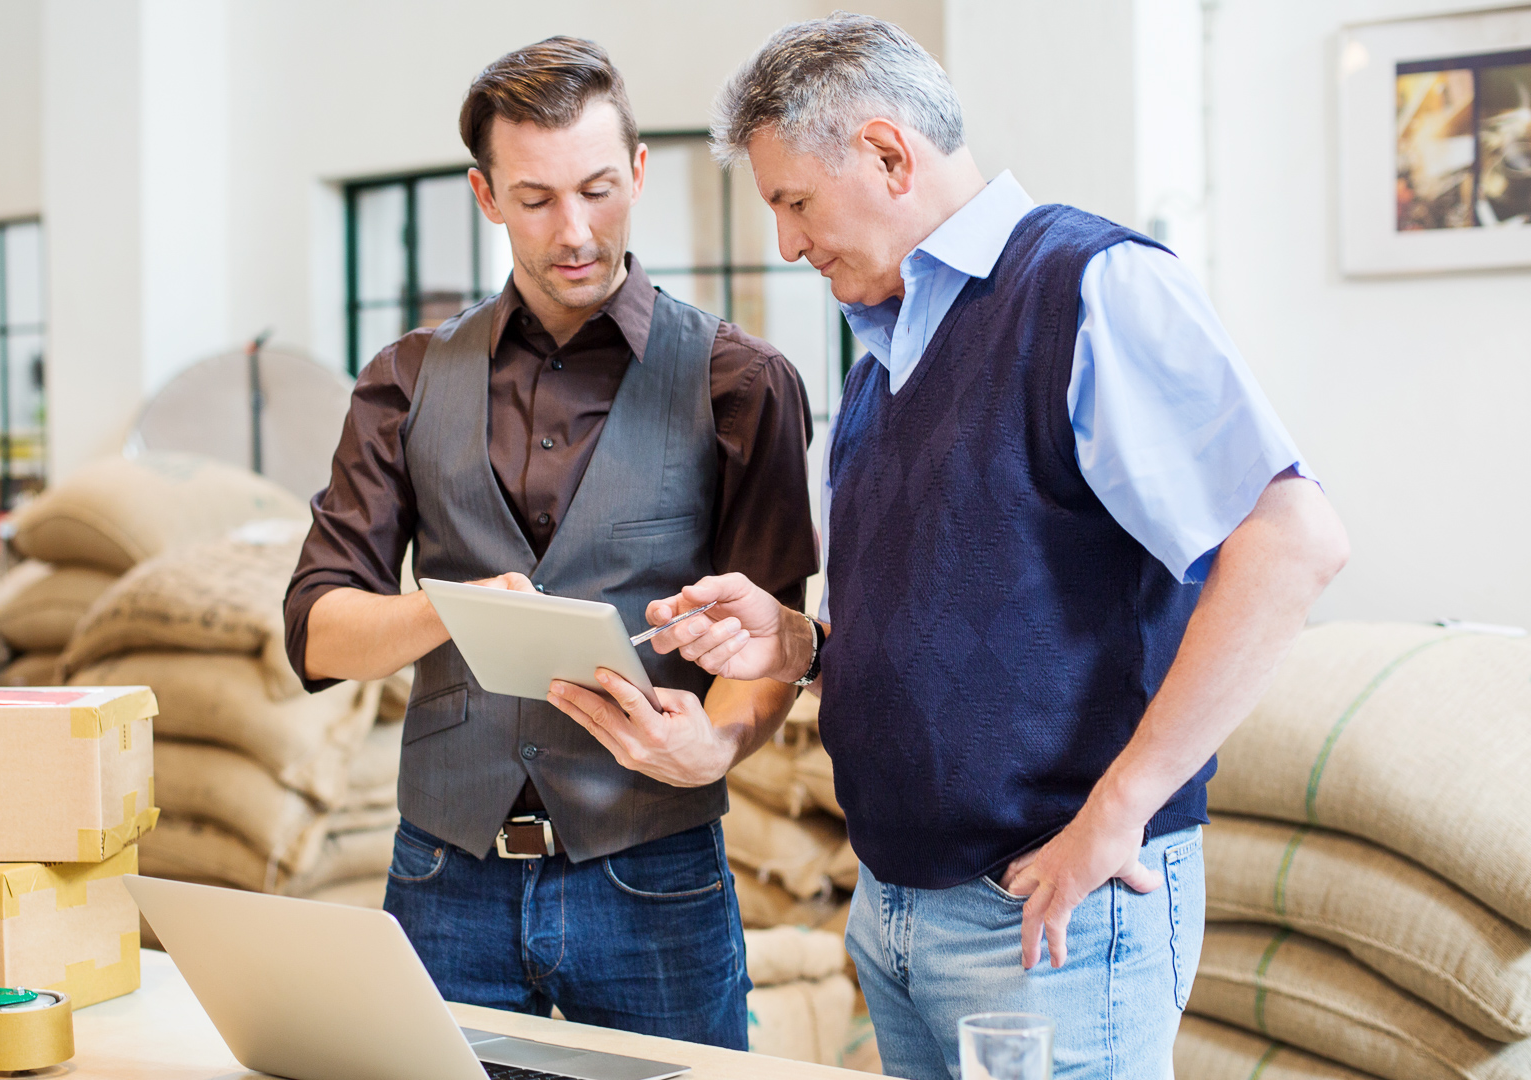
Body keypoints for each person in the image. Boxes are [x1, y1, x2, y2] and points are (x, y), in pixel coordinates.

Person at [544, 14, 1350, 1078]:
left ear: (886, 153)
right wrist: (801, 642)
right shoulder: (885, 351)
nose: (787, 241)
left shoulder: (1089, 288)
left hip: (1050, 911)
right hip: (899, 913)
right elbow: (981, 606)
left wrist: (1117, 817)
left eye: (794, 202)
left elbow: (1291, 541)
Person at [282, 36, 820, 1048]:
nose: (575, 230)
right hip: (444, 876)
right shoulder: (403, 379)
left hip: (651, 874)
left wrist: (718, 743)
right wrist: (451, 606)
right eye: (535, 199)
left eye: (599, 190)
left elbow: (773, 642)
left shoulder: (743, 383)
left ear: (641, 174)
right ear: (487, 195)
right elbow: (316, 632)